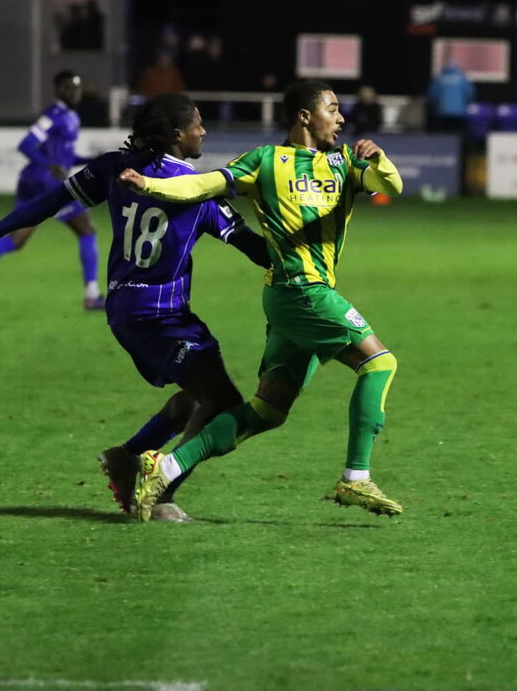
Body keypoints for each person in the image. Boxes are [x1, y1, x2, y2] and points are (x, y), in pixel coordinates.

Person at [0, 94, 271, 522]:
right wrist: (307, 252)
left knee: (196, 398)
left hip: (126, 309)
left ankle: (127, 457)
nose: (204, 131)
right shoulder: (198, 192)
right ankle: (158, 493)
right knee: (221, 402)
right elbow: (255, 249)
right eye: (198, 124)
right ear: (178, 134)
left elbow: (52, 200)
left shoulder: (115, 169)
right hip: (159, 317)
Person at [118, 80, 405, 522]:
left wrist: (379, 158)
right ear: (305, 116)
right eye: (333, 108)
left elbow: (392, 186)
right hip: (301, 291)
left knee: (267, 412)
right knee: (380, 363)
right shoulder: (266, 161)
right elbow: (201, 186)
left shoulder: (344, 162)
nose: (342, 117)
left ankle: (165, 466)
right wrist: (151, 187)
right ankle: (355, 477)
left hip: (295, 298)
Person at [0, 71, 107, 310]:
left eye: (78, 88)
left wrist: (88, 159)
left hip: (34, 182)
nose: (76, 93)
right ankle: (92, 295)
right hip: (45, 183)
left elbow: (63, 157)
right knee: (87, 230)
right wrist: (48, 165)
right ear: (58, 91)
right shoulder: (52, 116)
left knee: (16, 240)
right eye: (69, 88)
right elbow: (26, 144)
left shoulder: (71, 117)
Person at [426, 60, 474, 134]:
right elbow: (470, 94)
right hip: (459, 113)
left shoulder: (438, 79)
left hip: (442, 112)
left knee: (444, 136)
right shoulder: (463, 79)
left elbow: (432, 96)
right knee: (457, 135)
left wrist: (435, 108)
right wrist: (465, 106)